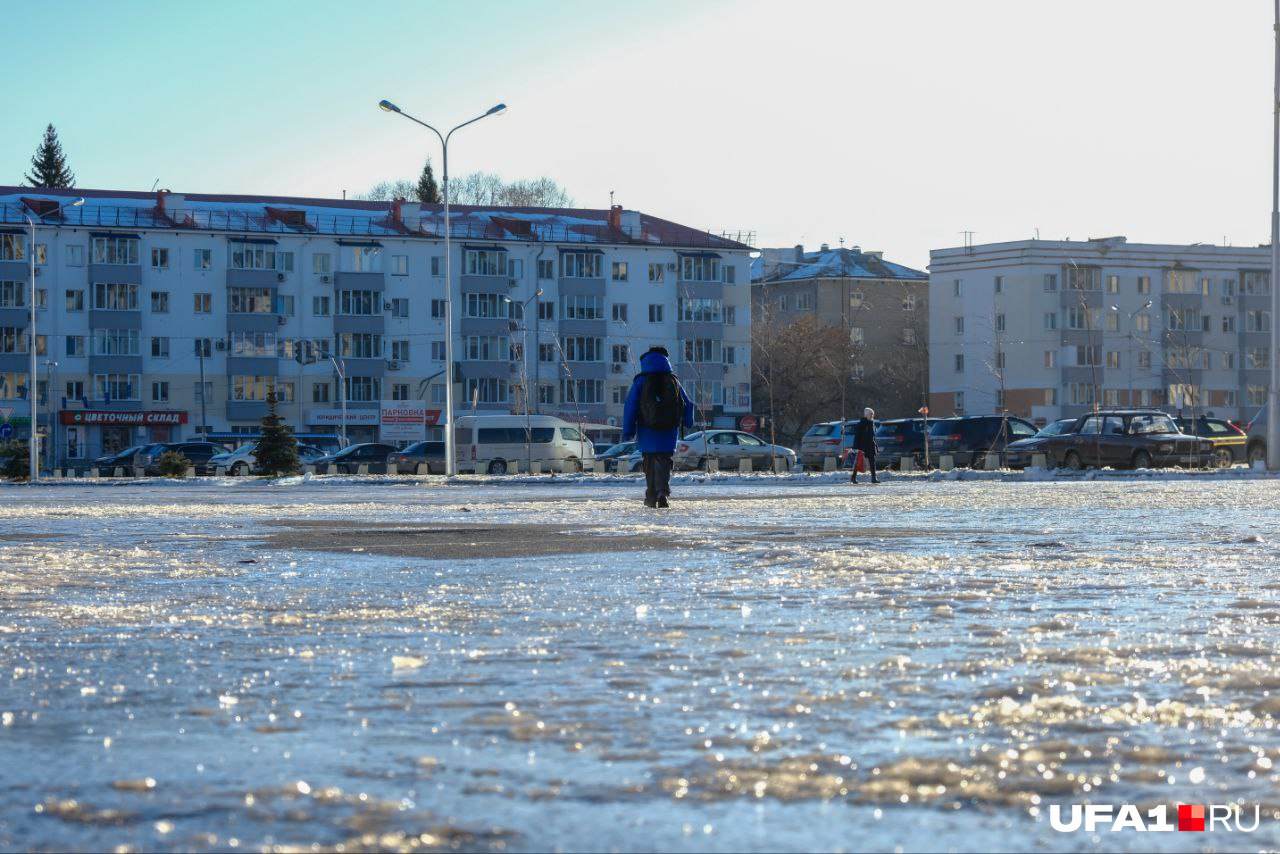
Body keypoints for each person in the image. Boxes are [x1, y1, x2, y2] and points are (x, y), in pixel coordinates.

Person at [622, 346, 694, 508]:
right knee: (664, 460)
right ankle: (662, 492)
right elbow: (688, 404)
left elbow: (630, 406)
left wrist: (628, 430)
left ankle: (651, 495)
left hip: (647, 430)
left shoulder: (641, 381)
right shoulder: (673, 380)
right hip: (669, 430)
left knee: (649, 462)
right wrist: (688, 422)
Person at [851, 407, 879, 484]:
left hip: (871, 446)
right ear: (866, 415)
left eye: (872, 414)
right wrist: (855, 448)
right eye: (871, 414)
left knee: (872, 462)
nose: (872, 416)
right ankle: (853, 477)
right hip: (862, 446)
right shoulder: (861, 424)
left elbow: (873, 436)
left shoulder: (872, 423)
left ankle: (874, 478)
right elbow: (857, 437)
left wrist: (876, 446)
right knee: (858, 462)